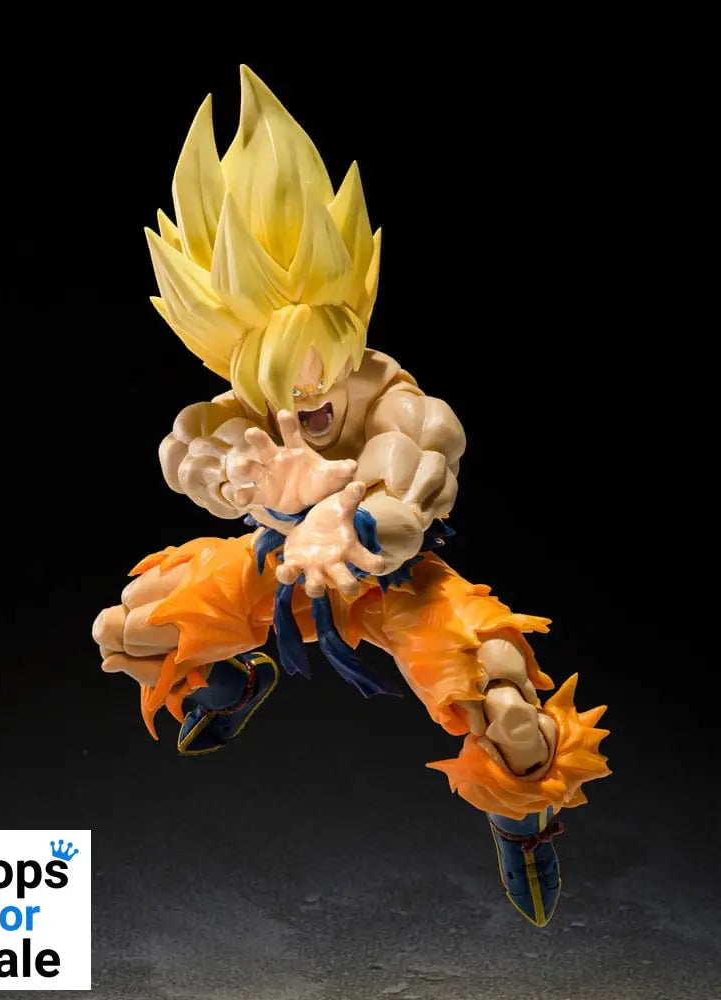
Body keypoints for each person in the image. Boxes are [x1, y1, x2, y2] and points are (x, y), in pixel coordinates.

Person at [92, 66, 610, 927]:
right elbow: (190, 457)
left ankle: (524, 831)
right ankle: (231, 681)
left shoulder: (396, 402)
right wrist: (246, 486)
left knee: (514, 717)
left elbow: (415, 482)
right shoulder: (240, 407)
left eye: (316, 383)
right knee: (128, 632)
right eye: (276, 388)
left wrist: (347, 514)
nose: (303, 407)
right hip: (281, 576)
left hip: (398, 588)